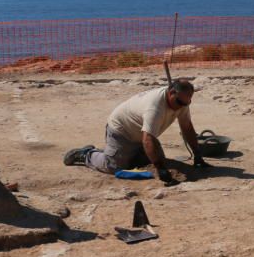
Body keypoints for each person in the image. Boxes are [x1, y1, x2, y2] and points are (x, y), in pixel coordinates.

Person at [63, 79, 210, 184]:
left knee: (151, 161)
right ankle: (86, 154)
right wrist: (160, 169)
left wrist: (197, 154)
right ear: (171, 93)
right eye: (179, 103)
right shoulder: (154, 107)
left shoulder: (182, 102)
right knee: (114, 167)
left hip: (142, 134)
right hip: (122, 131)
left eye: (186, 103)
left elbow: (187, 128)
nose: (181, 107)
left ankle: (114, 152)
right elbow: (148, 139)